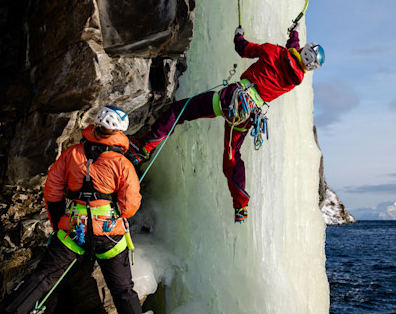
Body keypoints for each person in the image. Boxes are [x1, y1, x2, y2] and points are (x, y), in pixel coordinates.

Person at [0, 106, 151, 314]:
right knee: (123, 290)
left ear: (96, 127)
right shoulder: (122, 164)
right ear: (119, 132)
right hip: (108, 235)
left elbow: (52, 191)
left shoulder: (72, 154)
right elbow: (130, 207)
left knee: (44, 277)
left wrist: (59, 225)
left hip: (73, 231)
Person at [130, 27, 325, 223]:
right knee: (232, 156)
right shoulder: (295, 80)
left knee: (180, 111)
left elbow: (243, 49)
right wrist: (294, 35)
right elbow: (293, 55)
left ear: (303, 50)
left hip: (230, 100)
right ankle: (240, 206)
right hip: (246, 116)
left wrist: (238, 35)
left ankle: (143, 149)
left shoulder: (273, 51)